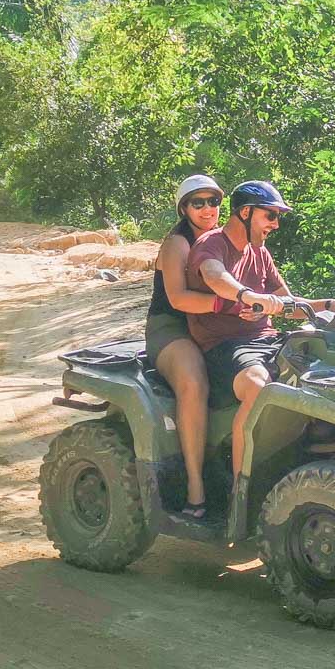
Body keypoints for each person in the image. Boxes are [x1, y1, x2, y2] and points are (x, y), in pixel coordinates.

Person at [186, 180, 335, 480]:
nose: (275, 224)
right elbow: (215, 276)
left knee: (332, 366)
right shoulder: (212, 244)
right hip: (225, 347)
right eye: (270, 215)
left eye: (278, 217)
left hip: (267, 340)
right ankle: (241, 489)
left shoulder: (260, 254)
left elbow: (289, 303)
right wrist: (248, 295)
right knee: (258, 387)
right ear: (245, 212)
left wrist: (331, 305)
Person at [145, 174, 226, 524]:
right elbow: (178, 298)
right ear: (184, 208)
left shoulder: (227, 240)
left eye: (213, 202)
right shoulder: (177, 244)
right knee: (193, 382)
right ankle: (195, 487)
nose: (208, 209)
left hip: (215, 326)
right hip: (173, 327)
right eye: (199, 203)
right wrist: (231, 304)